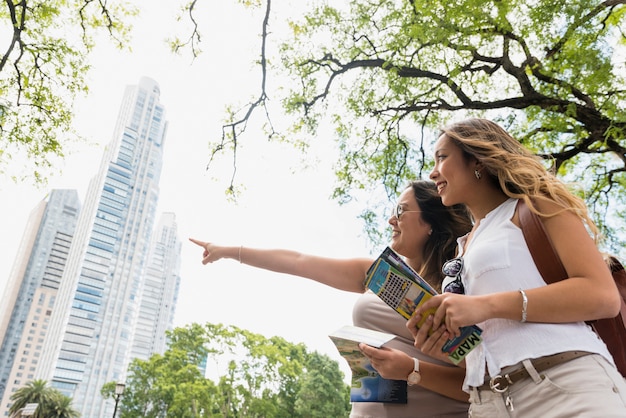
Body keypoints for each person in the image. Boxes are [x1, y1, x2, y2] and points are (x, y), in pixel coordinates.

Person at [190, 180, 472, 418]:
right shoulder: (376, 273)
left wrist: (413, 370)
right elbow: (299, 261)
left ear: (430, 223)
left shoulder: (461, 288)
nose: (390, 219)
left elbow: (479, 381)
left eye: (401, 210)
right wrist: (229, 251)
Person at [409, 118, 626, 417]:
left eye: (442, 158)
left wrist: (486, 305)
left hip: (564, 386)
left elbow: (603, 296)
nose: (433, 173)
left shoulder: (536, 205)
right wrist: (446, 346)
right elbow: (489, 345)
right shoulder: (461, 250)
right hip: (487, 404)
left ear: (478, 161)